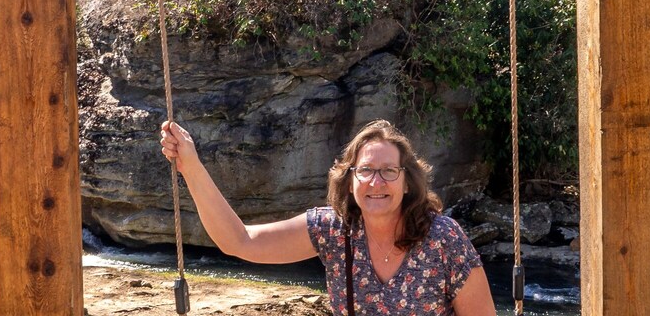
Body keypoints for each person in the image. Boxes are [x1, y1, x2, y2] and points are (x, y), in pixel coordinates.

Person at [161, 120, 497, 316]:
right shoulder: (332, 230)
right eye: (365, 170)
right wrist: (190, 164)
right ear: (350, 182)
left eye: (389, 171)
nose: (376, 182)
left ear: (407, 182)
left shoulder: (443, 239)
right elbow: (238, 241)